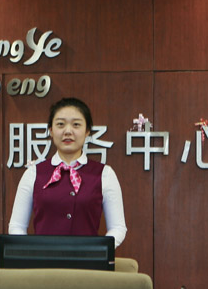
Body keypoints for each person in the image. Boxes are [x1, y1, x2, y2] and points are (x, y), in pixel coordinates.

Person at [8, 97, 127, 247]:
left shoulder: (105, 174)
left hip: (88, 260)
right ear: (51, 130)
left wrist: (97, 251)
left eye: (76, 124)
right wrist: (31, 252)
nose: (68, 131)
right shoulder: (33, 174)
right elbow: (17, 226)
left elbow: (118, 228)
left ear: (87, 131)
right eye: (60, 124)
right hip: (42, 260)